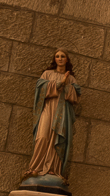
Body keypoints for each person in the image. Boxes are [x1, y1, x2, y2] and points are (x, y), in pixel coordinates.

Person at [24, 48, 81, 182]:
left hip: (61, 112)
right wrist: (59, 83)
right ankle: (36, 167)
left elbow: (75, 96)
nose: (60, 59)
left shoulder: (71, 78)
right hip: (47, 109)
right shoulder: (47, 74)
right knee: (42, 137)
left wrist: (66, 85)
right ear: (54, 59)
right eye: (57, 56)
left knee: (57, 137)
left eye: (62, 56)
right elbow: (40, 89)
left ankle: (53, 168)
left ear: (67, 60)